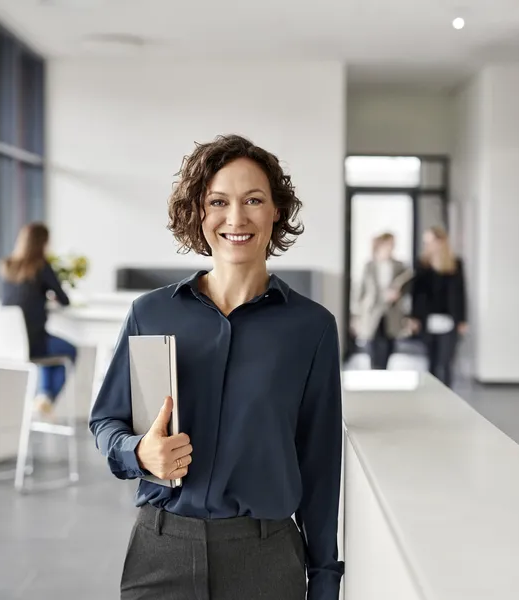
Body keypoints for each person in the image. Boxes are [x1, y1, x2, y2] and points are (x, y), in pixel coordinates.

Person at [89, 134, 344, 600]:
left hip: (265, 560)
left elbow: (322, 463)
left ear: (276, 212)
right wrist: (138, 452)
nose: (236, 218)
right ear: (198, 213)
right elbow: (106, 419)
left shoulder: (312, 328)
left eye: (253, 200)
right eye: (218, 202)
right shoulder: (151, 312)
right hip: (159, 551)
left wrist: (324, 578)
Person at [0, 222, 76, 416]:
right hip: (33, 343)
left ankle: (43, 397)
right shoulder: (41, 266)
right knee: (69, 350)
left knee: (48, 352)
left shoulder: (7, 266)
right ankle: (46, 399)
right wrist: (49, 295)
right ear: (42, 243)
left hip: (7, 342)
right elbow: (64, 300)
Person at [409, 226, 467, 387]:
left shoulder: (455, 264)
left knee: (446, 362)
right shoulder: (422, 265)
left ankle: (447, 395)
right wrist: (413, 317)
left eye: (430, 241)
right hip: (428, 320)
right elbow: (416, 294)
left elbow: (461, 293)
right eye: (426, 242)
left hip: (449, 320)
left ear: (441, 241)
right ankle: (432, 393)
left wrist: (462, 320)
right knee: (431, 361)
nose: (428, 245)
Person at [353, 232, 412, 370]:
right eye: (389, 243)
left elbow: (407, 288)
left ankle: (384, 375)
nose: (392, 247)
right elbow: (360, 291)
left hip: (391, 313)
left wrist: (398, 293)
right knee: (372, 348)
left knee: (388, 346)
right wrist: (356, 315)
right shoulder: (369, 266)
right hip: (372, 312)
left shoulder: (400, 266)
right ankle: (374, 376)